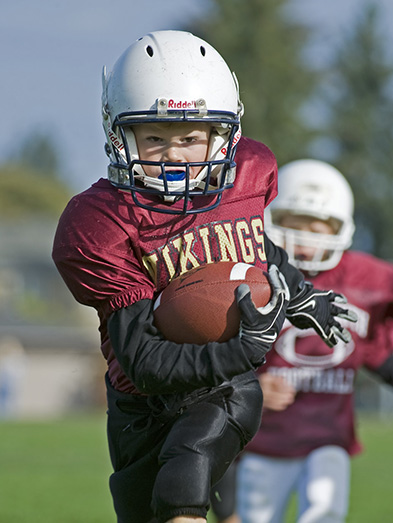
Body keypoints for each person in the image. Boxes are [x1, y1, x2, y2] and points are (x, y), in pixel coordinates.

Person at [52, 32, 355, 523]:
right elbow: (145, 361)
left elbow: (257, 248)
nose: (175, 155)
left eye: (191, 137)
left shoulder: (247, 176)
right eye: (154, 137)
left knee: (182, 487)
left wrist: (301, 296)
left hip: (223, 385)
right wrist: (248, 345)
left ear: (225, 134)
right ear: (117, 133)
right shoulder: (101, 222)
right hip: (139, 396)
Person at [234, 159, 393, 523]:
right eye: (293, 228)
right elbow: (213, 355)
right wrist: (247, 386)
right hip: (263, 441)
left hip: (328, 439)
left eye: (316, 230)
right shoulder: (250, 274)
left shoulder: (365, 278)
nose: (304, 246)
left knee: (326, 507)